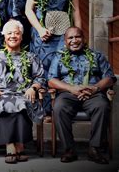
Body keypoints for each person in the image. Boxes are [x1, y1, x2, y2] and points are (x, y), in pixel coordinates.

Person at [25, 0, 82, 118]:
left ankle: (61, 109)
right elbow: (28, 10)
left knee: (63, 66)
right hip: (43, 34)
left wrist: (77, 34)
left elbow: (76, 11)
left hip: (64, 33)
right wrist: (40, 29)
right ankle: (43, 110)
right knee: (42, 69)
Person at [48, 27, 116, 164]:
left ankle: (94, 149)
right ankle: (69, 149)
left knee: (102, 106)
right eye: (70, 38)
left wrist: (95, 88)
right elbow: (51, 80)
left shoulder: (97, 56)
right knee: (58, 108)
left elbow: (109, 77)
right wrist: (71, 89)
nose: (74, 40)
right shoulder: (59, 56)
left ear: (84, 39)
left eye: (77, 37)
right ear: (65, 41)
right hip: (68, 94)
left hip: (93, 93)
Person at [0, 20, 45, 164]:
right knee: (3, 102)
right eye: (9, 33)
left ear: (22, 36)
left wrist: (33, 88)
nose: (13, 36)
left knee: (23, 101)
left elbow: (40, 77)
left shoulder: (31, 57)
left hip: (23, 93)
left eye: (16, 33)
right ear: (4, 36)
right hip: (0, 94)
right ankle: (10, 147)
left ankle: (20, 146)